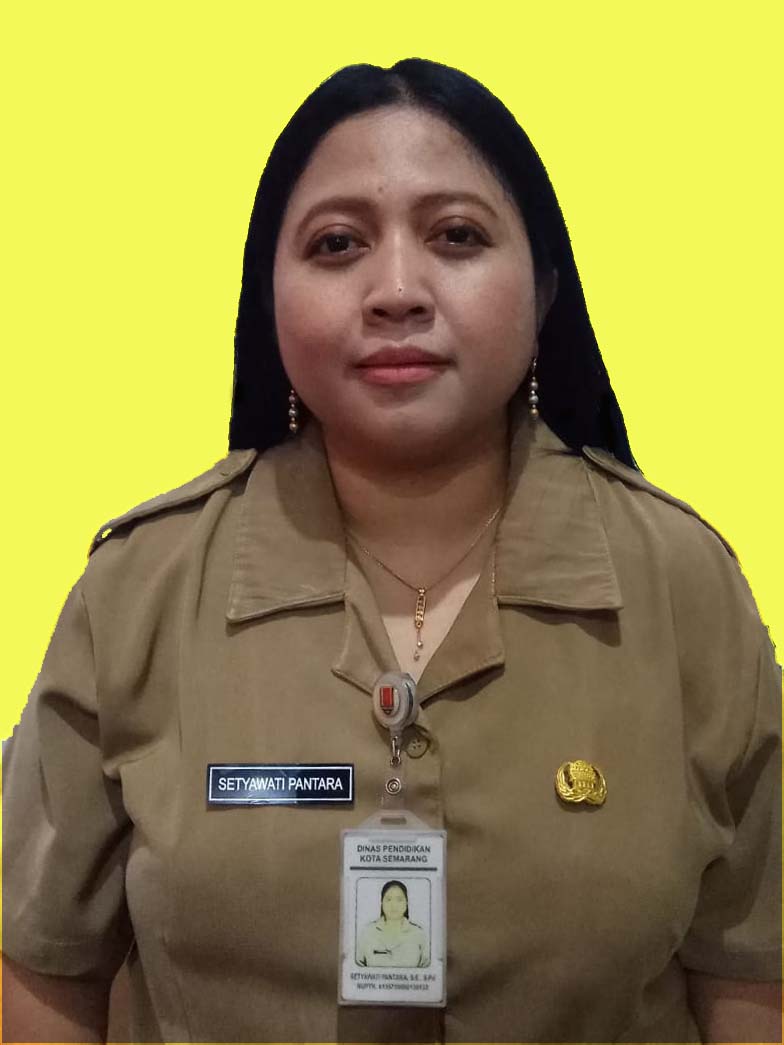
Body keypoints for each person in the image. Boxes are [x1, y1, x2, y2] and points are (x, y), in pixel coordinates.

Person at [2, 58, 781, 1045]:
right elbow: (44, 963)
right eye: (337, 245)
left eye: (457, 237)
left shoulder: (683, 585)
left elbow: (750, 968)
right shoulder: (138, 590)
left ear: (543, 287)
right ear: (269, 296)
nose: (398, 291)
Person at [356, 881, 430, 969]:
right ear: (381, 903)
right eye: (388, 899)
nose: (393, 905)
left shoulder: (419, 935)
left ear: (406, 903)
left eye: (399, 900)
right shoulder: (367, 933)